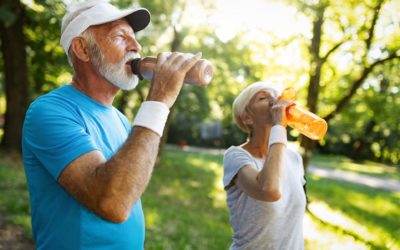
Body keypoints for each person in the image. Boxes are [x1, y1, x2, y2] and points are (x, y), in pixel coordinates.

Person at [22, 1, 202, 249]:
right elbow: (112, 203)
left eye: (134, 37)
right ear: (82, 49)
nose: (136, 46)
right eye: (120, 36)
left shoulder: (120, 119)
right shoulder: (49, 112)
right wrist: (158, 102)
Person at [223, 81, 307, 250]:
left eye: (275, 97)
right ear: (246, 118)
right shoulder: (235, 156)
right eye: (263, 98)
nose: (274, 102)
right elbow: (269, 190)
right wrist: (279, 127)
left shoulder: (294, 159)